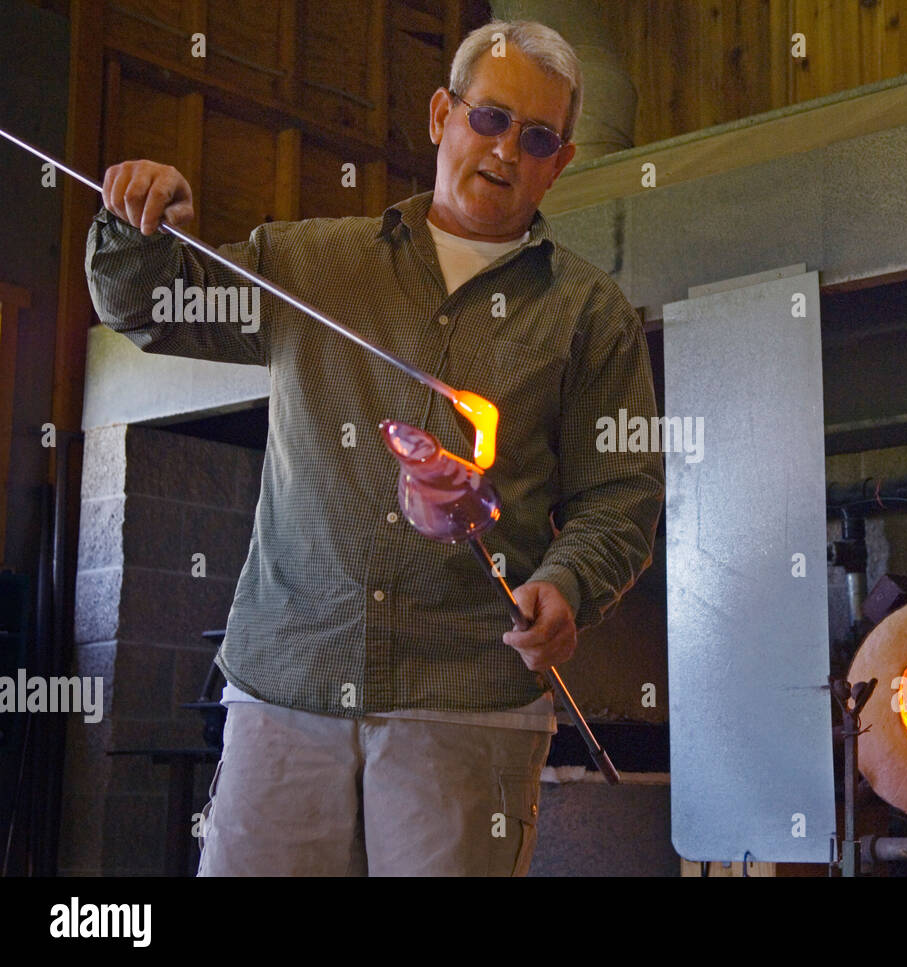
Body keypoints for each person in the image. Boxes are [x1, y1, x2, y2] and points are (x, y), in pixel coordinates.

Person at [85, 19, 664, 875]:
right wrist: (138, 222)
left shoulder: (591, 315)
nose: (507, 151)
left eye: (536, 137)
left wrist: (565, 582)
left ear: (561, 161)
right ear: (442, 115)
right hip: (290, 684)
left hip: (468, 701)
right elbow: (153, 309)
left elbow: (621, 496)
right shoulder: (311, 262)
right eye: (491, 119)